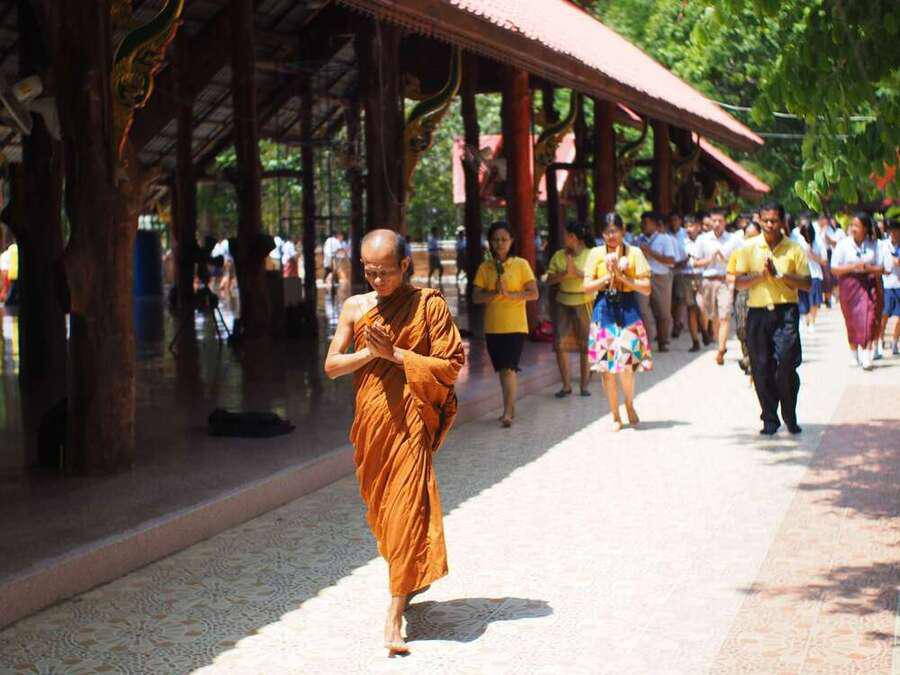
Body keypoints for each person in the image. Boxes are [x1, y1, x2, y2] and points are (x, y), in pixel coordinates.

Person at [323, 229, 465, 655]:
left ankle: (394, 614)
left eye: (385, 272)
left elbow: (451, 365)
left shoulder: (428, 305)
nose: (378, 280)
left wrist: (396, 355)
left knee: (406, 508)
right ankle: (408, 574)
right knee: (385, 513)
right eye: (370, 272)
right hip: (373, 423)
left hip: (411, 421)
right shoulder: (355, 307)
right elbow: (332, 365)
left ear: (406, 265)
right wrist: (371, 353)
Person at [733, 202, 810, 435]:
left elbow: (806, 283)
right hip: (757, 313)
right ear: (759, 220)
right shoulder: (748, 247)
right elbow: (739, 282)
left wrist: (781, 275)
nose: (769, 225)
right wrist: (761, 275)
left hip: (785, 312)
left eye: (774, 221)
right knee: (761, 367)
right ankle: (769, 418)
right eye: (765, 220)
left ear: (782, 221)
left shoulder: (794, 249)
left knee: (786, 364)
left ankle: (789, 414)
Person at [583, 212, 652, 431]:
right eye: (606, 232)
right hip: (604, 309)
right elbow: (586, 287)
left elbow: (646, 288)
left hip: (629, 308)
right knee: (607, 369)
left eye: (615, 231)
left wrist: (622, 278)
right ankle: (615, 415)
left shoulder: (634, 253)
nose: (611, 236)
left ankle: (629, 403)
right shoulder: (595, 253)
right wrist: (608, 277)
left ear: (623, 231)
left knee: (628, 365)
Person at [473, 221, 539, 428]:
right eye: (495, 240)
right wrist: (494, 292)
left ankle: (507, 412)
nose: (500, 243)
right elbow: (476, 297)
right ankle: (510, 405)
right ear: (490, 243)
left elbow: (534, 293)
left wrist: (510, 294)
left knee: (509, 368)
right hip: (493, 326)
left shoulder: (521, 264)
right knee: (502, 370)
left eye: (504, 239)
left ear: (511, 241)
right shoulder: (485, 267)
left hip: (515, 325)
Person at [546, 222, 595, 398]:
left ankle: (584, 386)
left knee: (585, 344)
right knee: (560, 344)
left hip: (585, 300)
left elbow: (599, 277)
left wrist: (576, 272)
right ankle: (566, 386)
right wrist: (565, 274)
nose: (562, 237)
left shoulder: (592, 254)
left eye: (565, 234)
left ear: (573, 237)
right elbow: (549, 279)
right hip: (563, 301)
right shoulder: (558, 255)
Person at [830, 212, 885, 370]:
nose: (853, 229)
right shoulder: (843, 244)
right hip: (849, 287)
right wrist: (853, 266)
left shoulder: (875, 244)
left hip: (869, 285)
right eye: (852, 225)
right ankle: (854, 353)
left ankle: (867, 353)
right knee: (852, 320)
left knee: (869, 317)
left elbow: (882, 268)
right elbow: (834, 268)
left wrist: (868, 268)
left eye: (857, 226)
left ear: (865, 228)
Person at [694, 208, 741, 365]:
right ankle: (715, 339)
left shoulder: (733, 240)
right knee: (710, 314)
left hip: (725, 281)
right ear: (709, 221)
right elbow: (695, 262)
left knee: (724, 316)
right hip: (707, 281)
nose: (717, 224)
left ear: (725, 222)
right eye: (714, 220)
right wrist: (710, 259)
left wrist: (725, 261)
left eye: (720, 221)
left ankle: (721, 350)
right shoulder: (702, 239)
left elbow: (740, 261)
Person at [636, 211, 676, 352]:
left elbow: (671, 261)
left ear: (654, 224)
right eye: (641, 223)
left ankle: (663, 341)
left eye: (645, 223)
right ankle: (646, 341)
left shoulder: (665, 240)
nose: (642, 226)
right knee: (642, 311)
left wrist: (650, 252)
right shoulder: (638, 240)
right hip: (642, 277)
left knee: (663, 313)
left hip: (660, 278)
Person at [729, 220, 761, 374]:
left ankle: (754, 361)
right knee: (742, 328)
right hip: (743, 293)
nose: (751, 240)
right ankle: (747, 356)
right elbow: (731, 275)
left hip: (761, 293)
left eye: (754, 236)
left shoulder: (766, 253)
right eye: (748, 236)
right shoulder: (738, 253)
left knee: (758, 329)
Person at [794, 220, 826, 333]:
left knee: (814, 301)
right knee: (802, 300)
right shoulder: (797, 241)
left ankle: (812, 322)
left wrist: (813, 256)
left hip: (815, 274)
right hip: (801, 275)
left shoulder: (818, 242)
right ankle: (803, 320)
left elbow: (824, 261)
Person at [680, 214, 706, 352]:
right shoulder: (682, 242)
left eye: (691, 225)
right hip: (686, 277)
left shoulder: (705, 241)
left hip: (702, 276)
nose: (688, 229)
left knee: (702, 307)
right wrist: (683, 261)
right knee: (691, 309)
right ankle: (695, 340)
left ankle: (705, 330)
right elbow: (676, 262)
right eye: (686, 226)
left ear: (698, 227)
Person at [878, 220, 900, 356]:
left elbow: (897, 262)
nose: (894, 233)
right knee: (884, 315)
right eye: (891, 231)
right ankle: (880, 340)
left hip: (899, 285)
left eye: (896, 231)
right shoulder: (883, 245)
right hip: (887, 286)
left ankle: (895, 342)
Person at [3, 240, 18, 306]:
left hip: (12, 272)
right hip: (18, 272)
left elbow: (7, 258)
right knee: (14, 289)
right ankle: (9, 302)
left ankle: (10, 301)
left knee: (13, 288)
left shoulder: (11, 248)